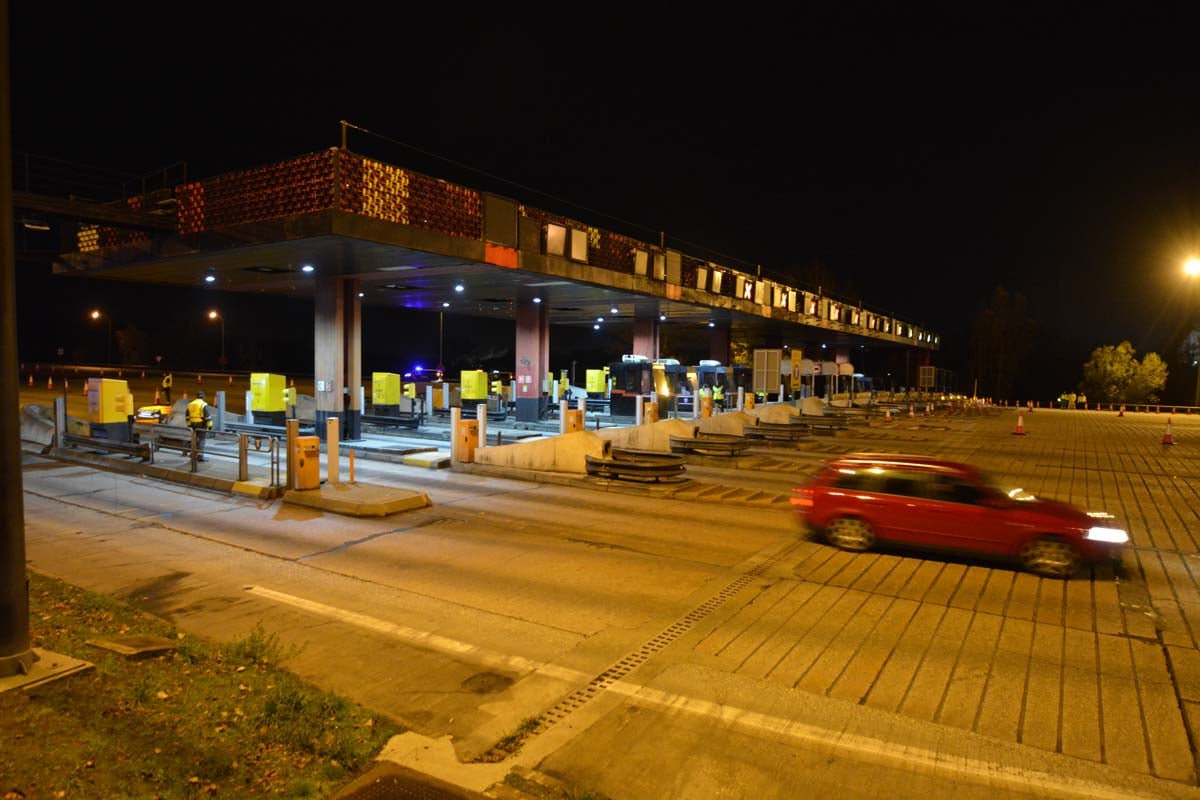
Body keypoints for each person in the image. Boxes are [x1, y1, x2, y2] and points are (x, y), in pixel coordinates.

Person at [186, 391, 212, 461]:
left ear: (196, 396)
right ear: (203, 396)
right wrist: (210, 426)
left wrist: (189, 425)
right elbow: (207, 417)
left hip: (192, 424)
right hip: (201, 424)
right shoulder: (203, 404)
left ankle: (192, 454)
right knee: (201, 440)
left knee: (194, 439)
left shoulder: (190, 404)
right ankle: (200, 456)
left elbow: (187, 416)